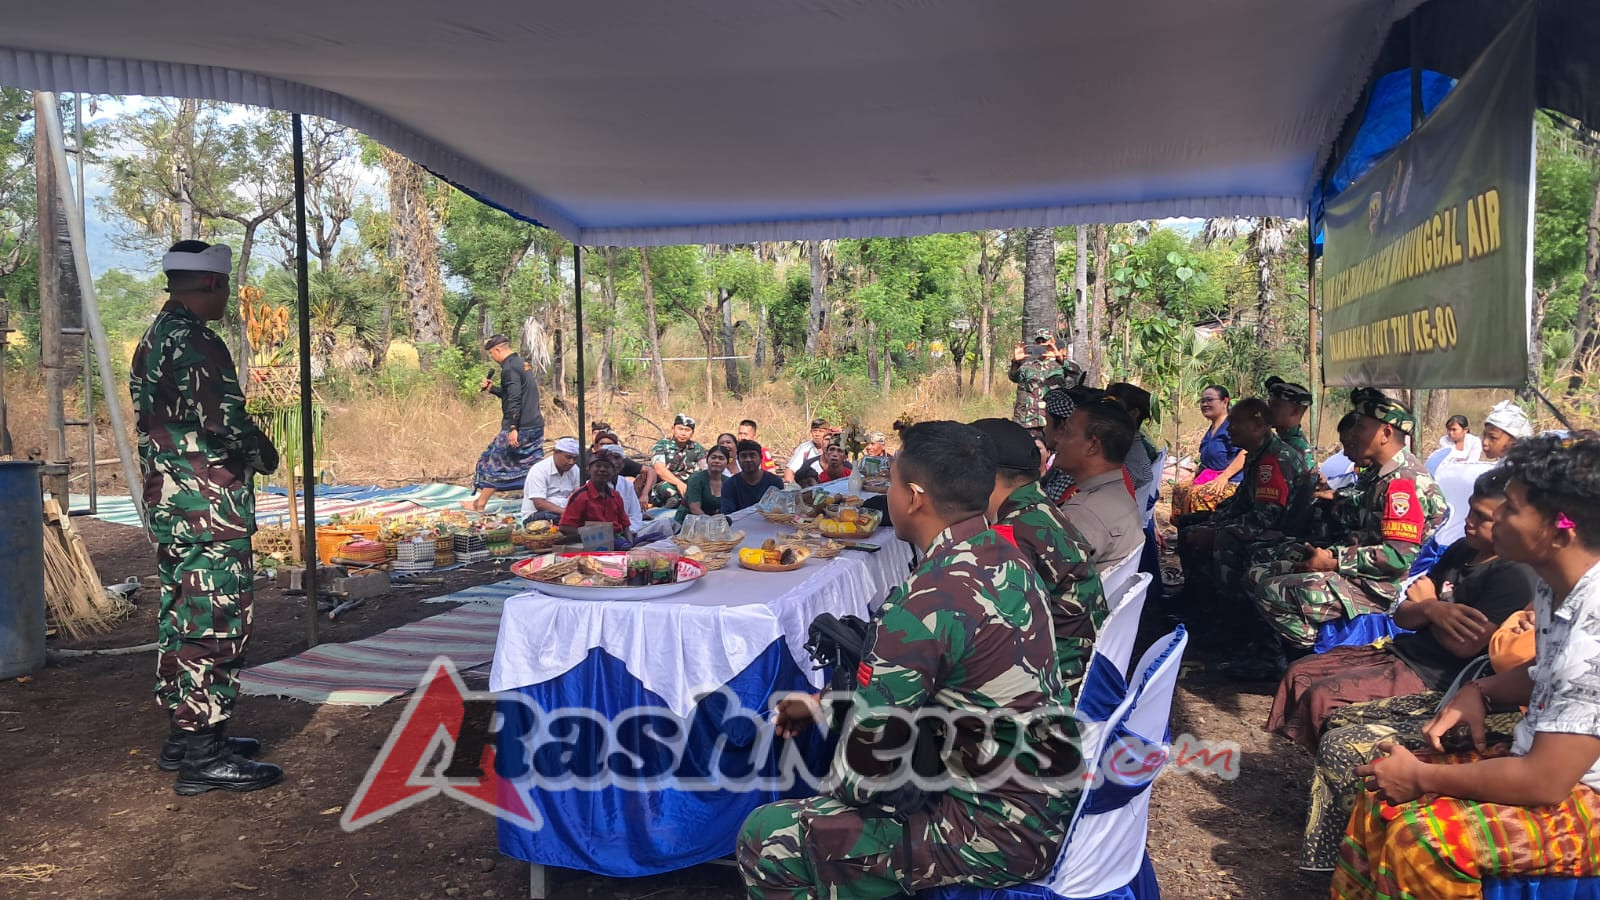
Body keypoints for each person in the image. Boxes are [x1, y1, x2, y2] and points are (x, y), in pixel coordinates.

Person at [737, 421, 1078, 897]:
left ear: (915, 497)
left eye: (892, 483)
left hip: (994, 833)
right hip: (1046, 796)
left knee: (768, 836)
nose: (888, 495)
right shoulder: (1005, 557)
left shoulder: (921, 604)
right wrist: (828, 704)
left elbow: (863, 781)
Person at [1335, 434, 1600, 899]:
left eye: (1511, 509)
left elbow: (1545, 781)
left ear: (1562, 532)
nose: (1497, 519)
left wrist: (1422, 777)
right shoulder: (1555, 585)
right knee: (1378, 787)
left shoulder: (1592, 627)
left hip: (1580, 790)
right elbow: (1547, 675)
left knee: (1422, 842)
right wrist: (1479, 691)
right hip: (1542, 763)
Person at [131, 240, 282, 794]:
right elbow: (225, 421)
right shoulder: (196, 341)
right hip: (208, 507)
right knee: (215, 621)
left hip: (171, 503)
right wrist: (264, 453)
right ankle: (204, 755)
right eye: (225, 289)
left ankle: (184, 735)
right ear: (213, 284)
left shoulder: (154, 337)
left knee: (181, 616)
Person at [1264, 468, 1537, 749]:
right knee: (1299, 672)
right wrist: (1433, 611)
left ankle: (1330, 766)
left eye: (1482, 517)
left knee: (1324, 697)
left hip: (1437, 676)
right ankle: (1296, 758)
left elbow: (1464, 645)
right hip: (1405, 651)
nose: (1469, 520)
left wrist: (1429, 605)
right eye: (1470, 509)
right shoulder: (1461, 550)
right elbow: (1403, 614)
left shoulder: (1514, 575)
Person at [1296, 604, 1537, 873]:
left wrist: (1421, 776)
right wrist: (1432, 608)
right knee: (1338, 716)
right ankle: (1339, 849)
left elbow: (1500, 652)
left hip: (1507, 713)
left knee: (1343, 744)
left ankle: (1339, 864)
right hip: (1472, 687)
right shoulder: (1547, 593)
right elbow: (1404, 615)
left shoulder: (1546, 594)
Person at [1242, 390, 1447, 676]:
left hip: (1377, 587)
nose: (1354, 434)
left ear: (1386, 433)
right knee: (1260, 568)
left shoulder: (1403, 483)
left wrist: (1333, 561)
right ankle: (1279, 654)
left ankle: (1316, 660)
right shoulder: (1381, 474)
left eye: (1361, 427)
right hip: (1356, 568)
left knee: (1270, 589)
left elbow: (1397, 557)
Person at [975, 417, 1106, 698]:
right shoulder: (1039, 509)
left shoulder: (1011, 533)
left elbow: (991, 636)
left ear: (982, 474)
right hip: (1077, 668)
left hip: (1051, 689)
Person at [1179, 398, 1311, 609]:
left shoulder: (1273, 460)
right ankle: (1194, 600)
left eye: (1236, 423)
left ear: (1258, 426)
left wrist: (1215, 532)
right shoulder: (1258, 454)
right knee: (1190, 522)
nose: (1229, 429)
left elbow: (1265, 518)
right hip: (1263, 523)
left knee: (1224, 539)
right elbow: (1240, 502)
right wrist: (1214, 520)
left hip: (1282, 532)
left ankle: (1229, 612)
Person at [1045, 388, 1144, 574]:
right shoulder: (1119, 491)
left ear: (1092, 445)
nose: (1058, 439)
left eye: (1067, 432)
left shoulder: (1082, 513)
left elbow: (1038, 579)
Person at [465, 333, 544, 511]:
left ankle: (480, 504)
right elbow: (514, 393)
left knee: (495, 460)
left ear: (498, 350)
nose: (492, 357)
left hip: (521, 426)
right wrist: (493, 389)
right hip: (535, 423)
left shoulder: (509, 369)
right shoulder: (522, 363)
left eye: (492, 353)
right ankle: (540, 499)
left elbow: (515, 399)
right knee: (532, 464)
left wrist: (513, 428)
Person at [1170, 385, 1246, 517]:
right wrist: (1193, 475)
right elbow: (1207, 461)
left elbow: (1245, 452)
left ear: (1225, 401)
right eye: (1202, 401)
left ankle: (1202, 527)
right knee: (1180, 489)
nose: (1205, 404)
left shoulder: (1233, 426)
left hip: (1232, 480)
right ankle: (1184, 527)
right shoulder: (1211, 430)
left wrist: (1225, 476)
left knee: (1200, 495)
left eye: (1210, 400)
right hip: (1209, 476)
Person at [1008, 329, 1083, 431]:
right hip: (1030, 421)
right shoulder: (1028, 366)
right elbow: (1014, 377)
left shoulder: (1061, 365)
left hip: (1053, 422)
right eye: (1038, 342)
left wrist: (1059, 358)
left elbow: (1077, 372)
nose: (1041, 344)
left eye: (1044, 341)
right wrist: (1016, 362)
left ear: (1052, 342)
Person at [558, 452, 633, 548]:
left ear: (614, 472)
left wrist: (631, 545)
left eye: (607, 467)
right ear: (588, 469)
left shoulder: (616, 496)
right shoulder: (580, 496)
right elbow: (565, 527)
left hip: (617, 539)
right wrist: (594, 537)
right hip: (592, 543)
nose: (602, 470)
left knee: (651, 537)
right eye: (598, 466)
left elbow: (626, 526)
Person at [519, 437, 582, 525]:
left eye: (575, 459)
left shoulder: (574, 470)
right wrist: (566, 513)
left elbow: (578, 495)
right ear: (556, 453)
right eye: (568, 457)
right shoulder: (539, 470)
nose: (571, 462)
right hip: (537, 515)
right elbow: (540, 504)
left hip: (563, 513)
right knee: (555, 518)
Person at [648, 413, 706, 507]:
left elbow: (705, 467)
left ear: (692, 433)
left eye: (687, 430)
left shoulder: (697, 448)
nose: (683, 433)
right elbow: (659, 469)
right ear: (673, 429)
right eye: (680, 429)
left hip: (689, 485)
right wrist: (678, 483)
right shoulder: (661, 445)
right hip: (665, 484)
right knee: (668, 491)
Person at [1265, 375, 1316, 471]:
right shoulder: (1281, 440)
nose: (1269, 409)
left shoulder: (1297, 448)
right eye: (1269, 403)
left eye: (1276, 405)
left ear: (1295, 411)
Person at [594, 430, 656, 503]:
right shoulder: (586, 461)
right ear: (596, 447)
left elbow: (650, 471)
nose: (606, 447)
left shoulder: (625, 483)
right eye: (602, 444)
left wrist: (644, 494)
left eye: (609, 444)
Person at [724, 440, 785, 513]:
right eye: (744, 456)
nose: (748, 460)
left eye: (752, 455)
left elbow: (780, 512)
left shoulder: (775, 482)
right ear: (738, 459)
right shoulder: (730, 485)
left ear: (761, 458)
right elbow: (728, 514)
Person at [676, 444, 729, 524]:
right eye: (713, 457)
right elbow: (695, 509)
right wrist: (713, 524)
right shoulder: (696, 479)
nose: (717, 461)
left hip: (715, 523)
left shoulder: (728, 482)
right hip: (688, 523)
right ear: (707, 460)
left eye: (721, 458)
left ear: (727, 462)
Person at [785, 417, 832, 483]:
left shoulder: (834, 448)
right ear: (811, 432)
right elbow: (790, 470)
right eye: (814, 431)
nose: (817, 434)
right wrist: (790, 486)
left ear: (827, 433)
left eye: (821, 431)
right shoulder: (804, 448)